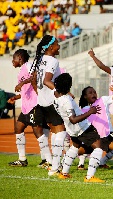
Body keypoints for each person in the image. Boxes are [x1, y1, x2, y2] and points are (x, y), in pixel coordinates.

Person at [52, 73, 105, 182]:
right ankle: (90, 177)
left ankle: (64, 173)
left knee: (75, 147)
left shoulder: (56, 96)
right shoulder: (66, 100)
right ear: (67, 85)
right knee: (99, 146)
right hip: (81, 127)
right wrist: (90, 112)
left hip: (71, 130)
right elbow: (73, 119)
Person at [7, 49, 52, 167]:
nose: (13, 61)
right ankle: (22, 159)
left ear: (20, 58)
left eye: (14, 59)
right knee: (18, 128)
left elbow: (35, 77)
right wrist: (15, 97)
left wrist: (22, 83)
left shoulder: (28, 66)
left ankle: (49, 161)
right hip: (26, 107)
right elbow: (25, 91)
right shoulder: (21, 71)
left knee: (38, 131)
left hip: (35, 104)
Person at [77, 86, 113, 175]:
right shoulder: (82, 111)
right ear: (85, 96)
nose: (93, 94)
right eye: (90, 93)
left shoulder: (103, 100)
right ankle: (62, 166)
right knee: (76, 151)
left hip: (108, 136)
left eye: (94, 92)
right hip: (93, 139)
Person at [30, 35, 67, 175]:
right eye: (57, 44)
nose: (59, 46)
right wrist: (61, 93)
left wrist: (39, 94)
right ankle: (55, 166)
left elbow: (34, 79)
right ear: (51, 47)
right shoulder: (52, 60)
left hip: (42, 102)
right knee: (61, 132)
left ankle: (53, 163)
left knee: (55, 132)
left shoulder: (39, 60)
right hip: (52, 101)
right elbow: (47, 80)